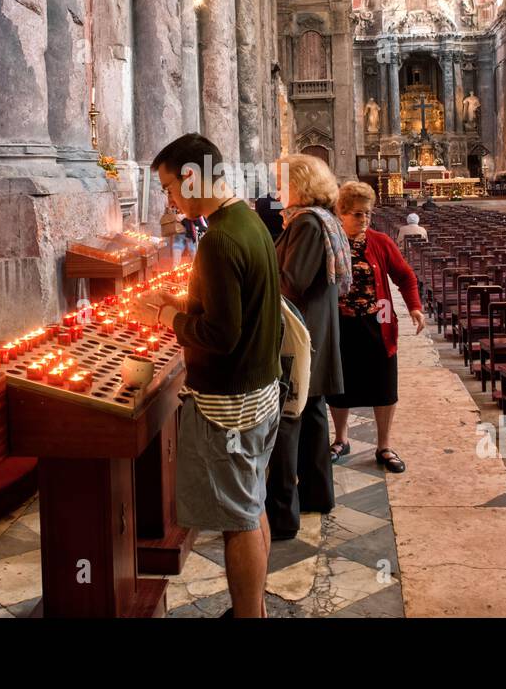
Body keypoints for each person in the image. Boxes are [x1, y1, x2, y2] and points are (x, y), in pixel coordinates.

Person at [134, 133, 282, 617]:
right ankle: (253, 608)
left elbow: (221, 334)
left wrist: (160, 319)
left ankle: (246, 616)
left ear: (193, 176)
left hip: (229, 404)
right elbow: (238, 301)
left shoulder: (219, 239)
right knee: (251, 503)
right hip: (259, 393)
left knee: (237, 520)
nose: (169, 199)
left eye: (169, 186)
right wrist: (181, 303)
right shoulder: (247, 222)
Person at [265, 154, 350, 539]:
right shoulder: (321, 219)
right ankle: (318, 494)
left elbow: (289, 283)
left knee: (288, 417)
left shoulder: (308, 225)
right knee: (313, 413)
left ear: (299, 184)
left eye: (282, 182)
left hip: (301, 338)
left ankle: (281, 516)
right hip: (316, 332)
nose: (277, 190)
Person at [328, 181, 426, 473]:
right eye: (357, 214)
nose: (364, 219)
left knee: (383, 384)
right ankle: (341, 439)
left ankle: (384, 445)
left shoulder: (380, 241)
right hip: (341, 324)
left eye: (367, 213)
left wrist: (415, 307)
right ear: (341, 213)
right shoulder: (330, 242)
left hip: (378, 322)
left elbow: (405, 276)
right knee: (340, 385)